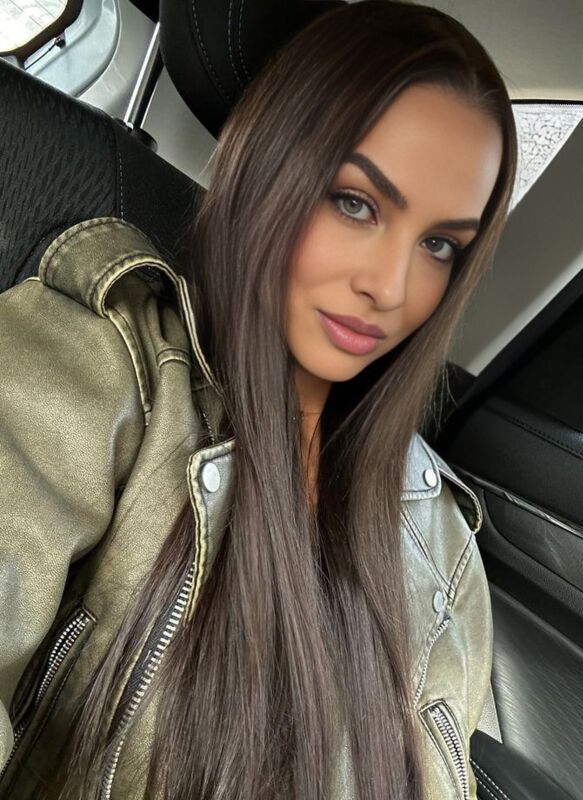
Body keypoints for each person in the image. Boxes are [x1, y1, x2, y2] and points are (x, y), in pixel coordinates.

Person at [0, 1, 517, 798]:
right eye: (355, 202)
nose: (390, 286)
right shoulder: (105, 368)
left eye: (439, 245)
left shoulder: (441, 537)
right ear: (270, 166)